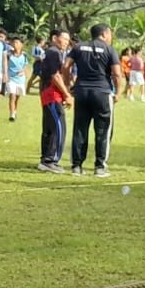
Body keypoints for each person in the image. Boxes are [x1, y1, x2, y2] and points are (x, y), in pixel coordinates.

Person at [62, 24, 122, 177]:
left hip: (82, 91)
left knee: (80, 129)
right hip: (102, 92)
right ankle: (100, 167)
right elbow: (116, 73)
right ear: (105, 34)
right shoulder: (110, 50)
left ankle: (76, 166)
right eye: (110, 35)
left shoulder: (79, 47)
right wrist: (118, 92)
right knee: (103, 131)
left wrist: (68, 85)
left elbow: (66, 66)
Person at [37, 29, 72, 173]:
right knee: (59, 127)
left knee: (49, 127)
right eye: (64, 39)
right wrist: (67, 94)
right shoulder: (53, 52)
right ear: (54, 38)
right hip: (52, 94)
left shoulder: (51, 52)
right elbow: (55, 76)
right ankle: (50, 160)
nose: (66, 42)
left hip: (48, 93)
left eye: (67, 40)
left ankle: (45, 159)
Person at [5, 36, 28, 122]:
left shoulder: (24, 55)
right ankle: (12, 114)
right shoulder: (8, 54)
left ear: (21, 45)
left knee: (17, 98)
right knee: (12, 96)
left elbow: (25, 66)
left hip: (20, 79)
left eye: (17, 42)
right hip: (11, 78)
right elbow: (5, 65)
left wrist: (23, 72)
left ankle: (15, 111)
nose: (15, 44)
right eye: (13, 42)